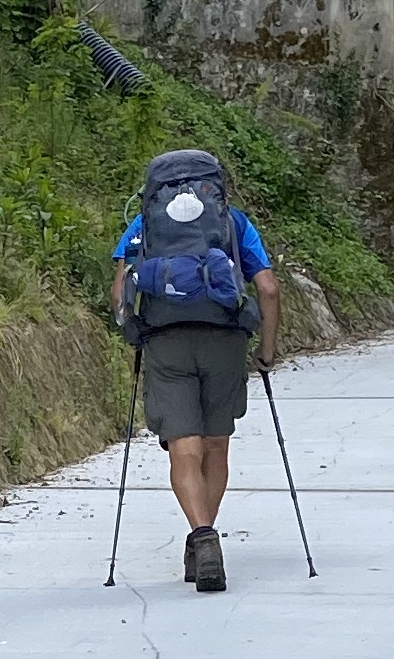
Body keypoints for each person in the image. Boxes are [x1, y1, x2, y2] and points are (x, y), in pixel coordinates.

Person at [110, 148, 280, 593]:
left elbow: (120, 289)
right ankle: (205, 540)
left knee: (183, 449)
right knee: (216, 445)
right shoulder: (232, 223)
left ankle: (202, 535)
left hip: (167, 342)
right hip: (224, 341)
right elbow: (267, 288)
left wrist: (134, 332)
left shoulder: (145, 224)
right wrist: (267, 350)